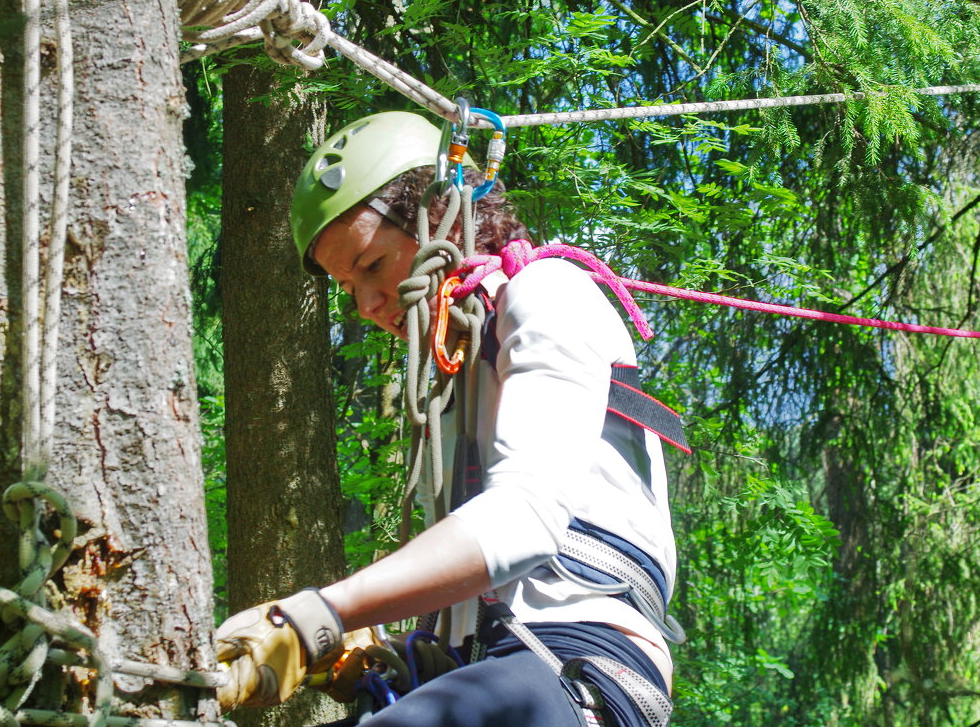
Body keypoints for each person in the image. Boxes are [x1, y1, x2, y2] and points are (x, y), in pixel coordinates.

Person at [216, 111, 682, 727]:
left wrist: (321, 615)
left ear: (440, 213)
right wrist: (400, 663)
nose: (366, 304)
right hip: (501, 671)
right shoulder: (460, 371)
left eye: (373, 264)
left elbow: (526, 519)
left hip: (580, 663)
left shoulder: (547, 293)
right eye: (347, 286)